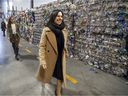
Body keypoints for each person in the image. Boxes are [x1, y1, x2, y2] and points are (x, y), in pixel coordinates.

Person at [36, 9, 68, 96]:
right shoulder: (47, 30)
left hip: (60, 57)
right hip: (50, 57)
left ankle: (58, 92)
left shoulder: (63, 29)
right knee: (46, 75)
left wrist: (66, 52)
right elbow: (42, 46)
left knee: (60, 75)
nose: (60, 18)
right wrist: (42, 60)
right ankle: (43, 82)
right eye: (58, 16)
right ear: (53, 17)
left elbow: (64, 44)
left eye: (61, 16)